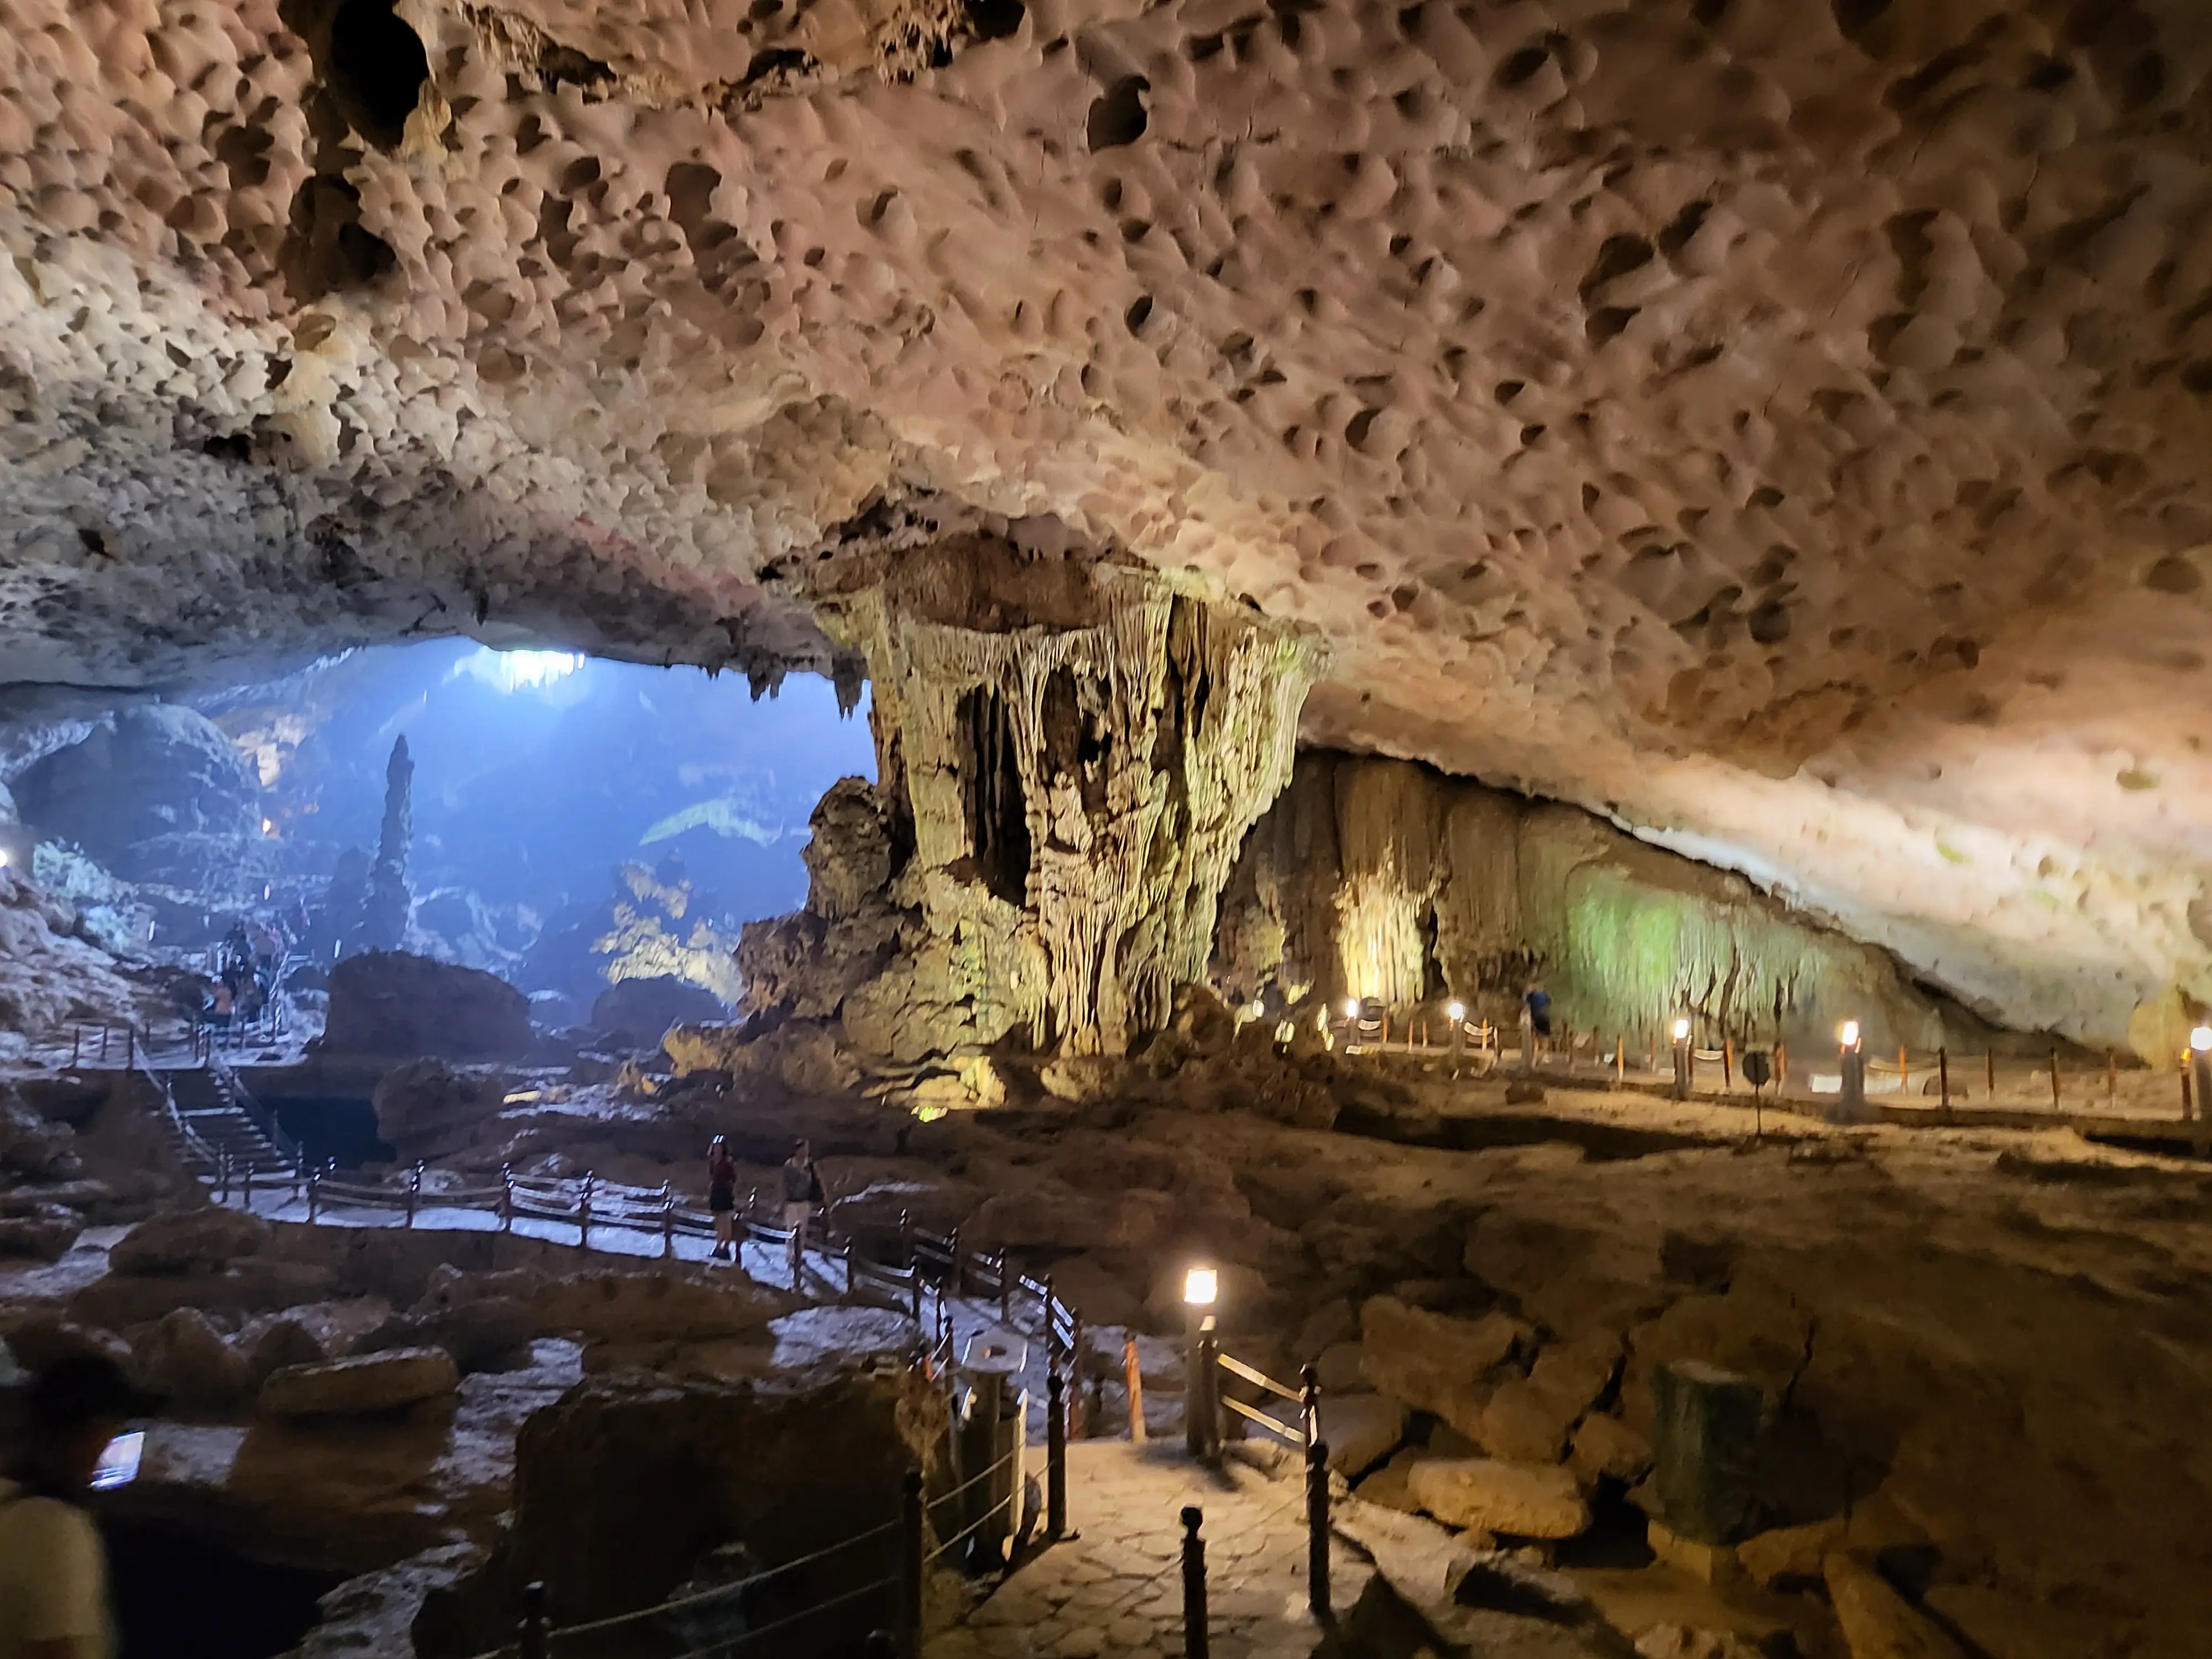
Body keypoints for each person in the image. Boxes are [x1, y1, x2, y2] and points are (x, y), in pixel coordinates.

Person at [1, 1354, 154, 1659]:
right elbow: (58, 1651)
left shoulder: (10, 1497)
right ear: (93, 1432)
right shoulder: (56, 1531)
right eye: (117, 1431)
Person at [779, 1139, 822, 1284]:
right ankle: (790, 1254)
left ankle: (799, 1254)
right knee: (791, 1229)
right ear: (797, 1150)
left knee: (802, 1230)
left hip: (804, 1202)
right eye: (804, 1149)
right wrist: (783, 1200)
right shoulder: (789, 1166)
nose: (806, 1152)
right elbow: (785, 1183)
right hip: (792, 1202)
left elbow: (815, 1182)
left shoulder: (809, 1165)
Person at [706, 1136, 738, 1261]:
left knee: (726, 1220)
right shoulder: (712, 1161)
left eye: (719, 1147)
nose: (717, 1149)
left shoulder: (727, 1163)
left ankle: (726, 1245)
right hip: (715, 1192)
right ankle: (719, 1244)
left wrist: (728, 1188)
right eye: (715, 1147)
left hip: (724, 1193)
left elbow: (733, 1179)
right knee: (717, 1221)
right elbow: (711, 1175)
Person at [1522, 982, 1552, 1071]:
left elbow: (1526, 1006)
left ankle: (1534, 1061)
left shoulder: (1531, 996)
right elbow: (1549, 1005)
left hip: (1535, 1019)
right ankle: (1541, 1058)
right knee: (1545, 1040)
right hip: (1545, 1018)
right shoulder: (1545, 995)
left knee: (1535, 1041)